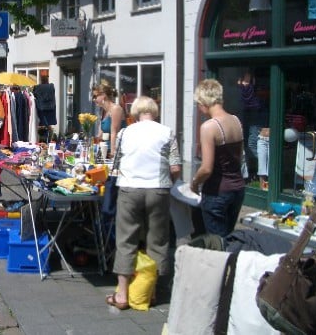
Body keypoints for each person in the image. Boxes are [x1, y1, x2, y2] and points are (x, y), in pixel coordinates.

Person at [105, 96, 181, 310]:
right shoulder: (166, 132)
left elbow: (117, 162)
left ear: (135, 113)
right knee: (156, 240)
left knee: (126, 239)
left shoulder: (125, 133)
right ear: (154, 112)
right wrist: (167, 184)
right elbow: (175, 168)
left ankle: (122, 294)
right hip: (158, 189)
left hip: (130, 188)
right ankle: (151, 291)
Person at [191, 79, 245, 237]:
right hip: (237, 189)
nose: (199, 109)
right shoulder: (236, 121)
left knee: (217, 242)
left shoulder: (209, 127)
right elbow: (239, 158)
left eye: (198, 104)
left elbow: (206, 168)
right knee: (228, 236)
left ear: (203, 102)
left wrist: (194, 182)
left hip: (217, 191)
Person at [92, 83, 125, 159]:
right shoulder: (104, 111)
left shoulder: (116, 109)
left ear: (103, 95)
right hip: (105, 150)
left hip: (116, 151)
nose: (94, 99)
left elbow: (114, 133)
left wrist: (113, 155)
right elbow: (100, 135)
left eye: (95, 96)